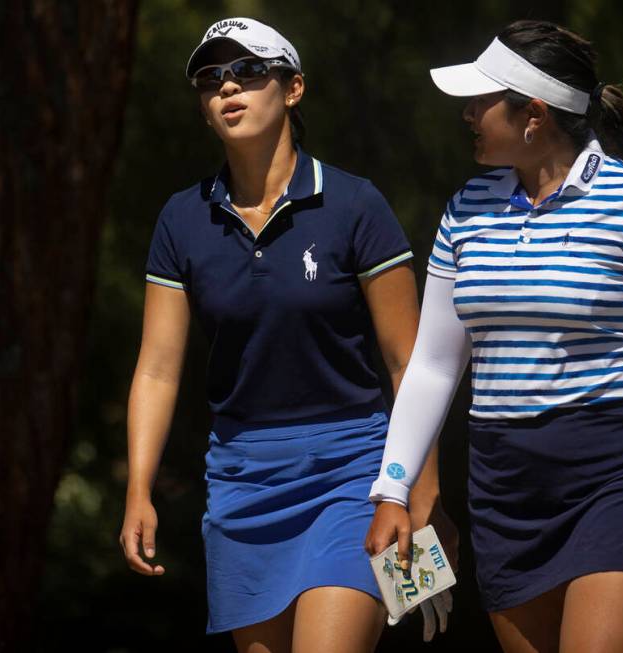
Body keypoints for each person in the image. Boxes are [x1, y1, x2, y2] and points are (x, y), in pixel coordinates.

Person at [365, 19, 623, 653]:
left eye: (481, 101)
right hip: (506, 485)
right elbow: (434, 363)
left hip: (622, 474)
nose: (468, 113)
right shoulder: (466, 208)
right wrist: (392, 488)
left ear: (534, 115)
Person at [118, 17, 455, 653]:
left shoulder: (356, 205)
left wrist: (419, 490)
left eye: (248, 71)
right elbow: (158, 369)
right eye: (211, 78)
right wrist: (139, 489)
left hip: (356, 472)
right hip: (244, 481)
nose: (228, 87)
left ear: (293, 89)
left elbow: (411, 362)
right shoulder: (181, 219)